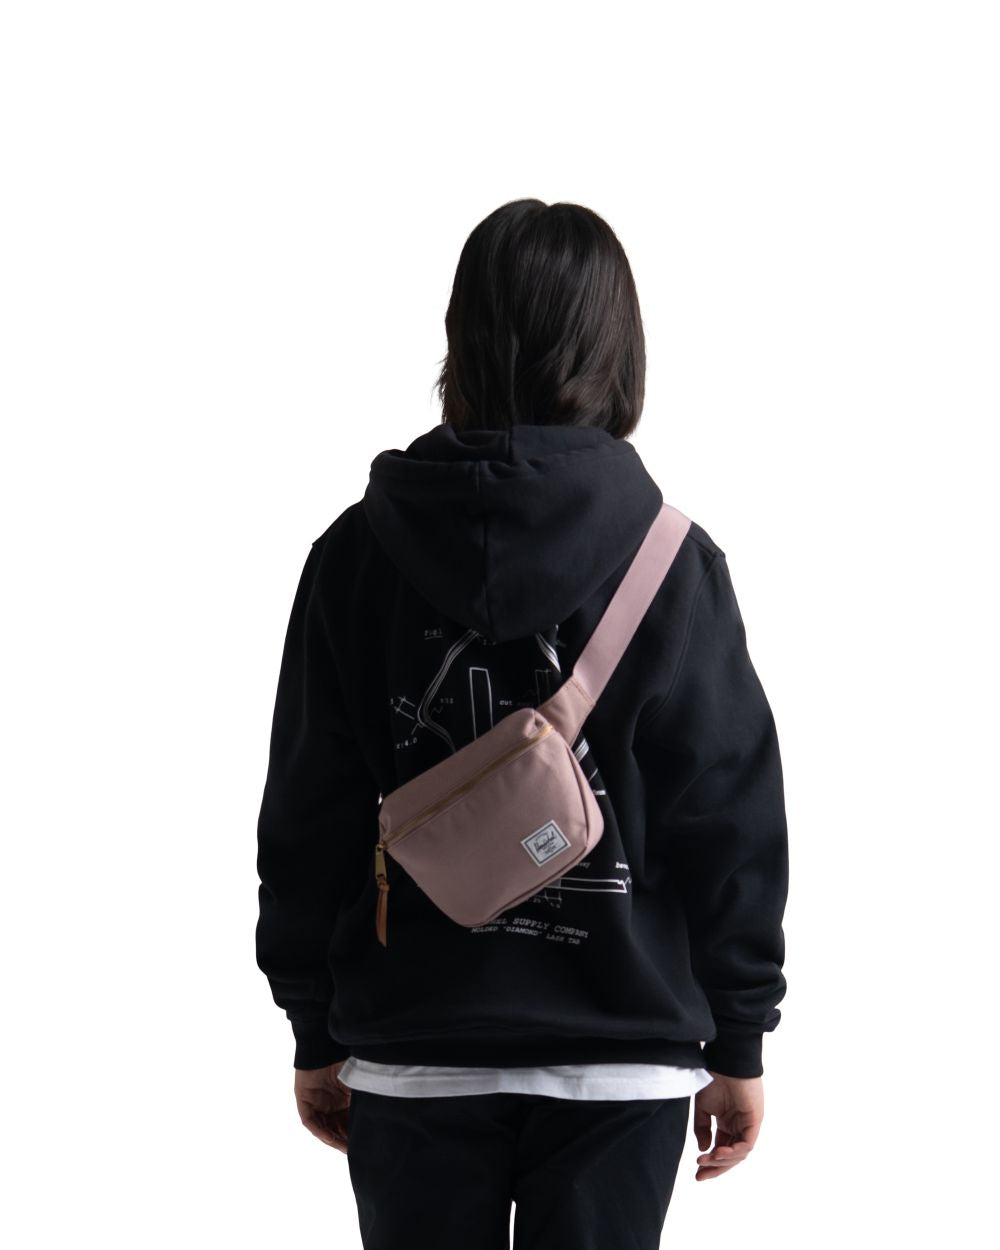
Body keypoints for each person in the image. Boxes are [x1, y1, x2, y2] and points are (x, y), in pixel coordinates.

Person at [255, 199, 789, 1250]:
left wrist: (312, 1024)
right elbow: (731, 817)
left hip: (412, 1047)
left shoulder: (355, 554)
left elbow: (308, 811)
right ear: (617, 348)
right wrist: (740, 1034)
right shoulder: (674, 563)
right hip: (623, 1057)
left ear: (460, 340)